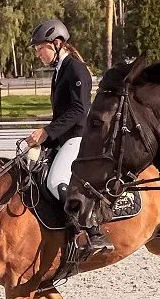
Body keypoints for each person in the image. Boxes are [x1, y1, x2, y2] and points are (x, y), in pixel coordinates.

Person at [26, 18, 111, 258]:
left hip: (79, 137)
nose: (38, 54)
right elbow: (61, 114)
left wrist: (46, 132)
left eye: (40, 48)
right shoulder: (59, 71)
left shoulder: (75, 68)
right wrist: (45, 140)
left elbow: (78, 110)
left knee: (56, 181)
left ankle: (91, 233)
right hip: (64, 138)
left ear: (56, 43)